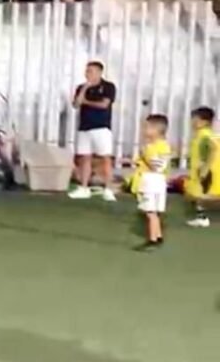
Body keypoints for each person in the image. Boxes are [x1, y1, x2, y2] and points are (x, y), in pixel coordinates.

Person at [69, 60, 118, 201]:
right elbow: (76, 104)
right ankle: (84, 188)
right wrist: (84, 89)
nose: (87, 74)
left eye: (90, 71)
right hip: (84, 127)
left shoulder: (108, 87)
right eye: (87, 71)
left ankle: (108, 188)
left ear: (99, 72)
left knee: (105, 158)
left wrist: (86, 102)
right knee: (85, 157)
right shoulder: (81, 87)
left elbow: (104, 104)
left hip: (101, 127)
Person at [130, 115, 171, 250]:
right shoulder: (161, 146)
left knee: (150, 212)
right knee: (154, 212)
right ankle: (158, 236)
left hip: (151, 182)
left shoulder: (154, 147)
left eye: (147, 127)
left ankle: (152, 240)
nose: (144, 130)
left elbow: (157, 166)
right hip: (157, 181)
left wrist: (145, 154)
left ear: (156, 130)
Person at [186, 106, 220, 228]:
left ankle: (202, 218)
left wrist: (205, 169)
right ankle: (201, 217)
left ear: (205, 122)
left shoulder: (205, 135)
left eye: (196, 119)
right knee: (197, 194)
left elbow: (212, 150)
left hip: (206, 171)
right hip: (200, 170)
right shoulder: (202, 135)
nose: (193, 122)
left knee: (202, 195)